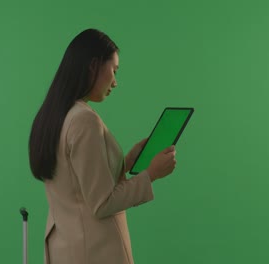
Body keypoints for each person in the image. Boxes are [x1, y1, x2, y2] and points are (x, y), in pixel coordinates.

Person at [28, 28, 177, 264]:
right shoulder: (85, 120)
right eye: (114, 70)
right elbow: (102, 203)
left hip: (64, 248)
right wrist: (151, 174)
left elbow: (75, 181)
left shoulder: (53, 115)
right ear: (94, 65)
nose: (115, 82)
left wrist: (124, 163)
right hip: (95, 252)